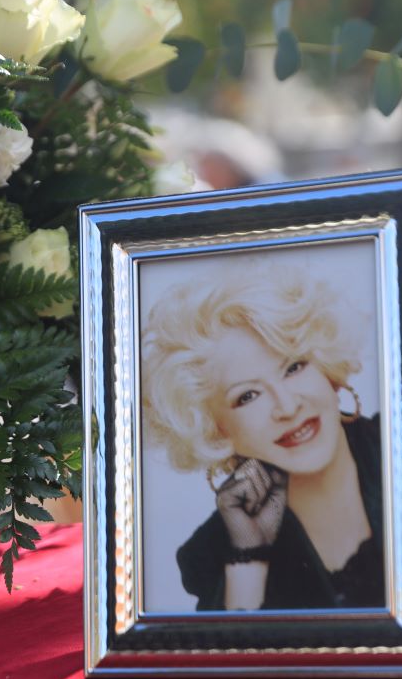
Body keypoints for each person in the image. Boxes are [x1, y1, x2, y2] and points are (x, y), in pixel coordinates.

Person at [141, 261, 383, 611]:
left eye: (294, 367)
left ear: (328, 369)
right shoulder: (213, 552)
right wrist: (248, 557)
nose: (287, 406)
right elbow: (238, 646)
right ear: (215, 431)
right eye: (248, 396)